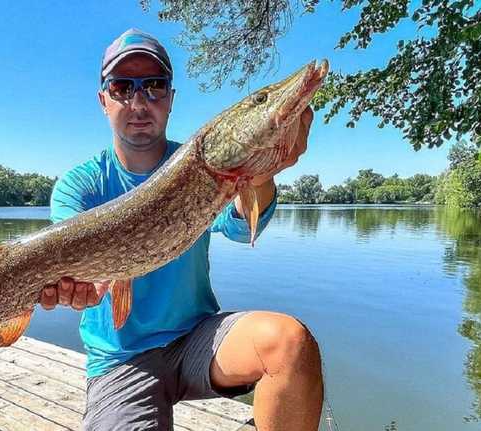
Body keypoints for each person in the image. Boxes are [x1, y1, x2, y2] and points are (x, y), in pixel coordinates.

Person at [42, 28, 323, 431]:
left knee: (290, 344)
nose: (140, 101)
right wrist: (69, 286)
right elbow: (66, 269)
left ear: (171, 99)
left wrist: (261, 174)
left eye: (155, 86)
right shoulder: (80, 185)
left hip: (199, 339)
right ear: (104, 101)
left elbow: (242, 229)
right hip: (121, 358)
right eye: (123, 87)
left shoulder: (202, 164)